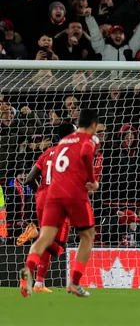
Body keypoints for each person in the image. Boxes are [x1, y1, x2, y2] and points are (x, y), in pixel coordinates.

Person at [19, 109, 100, 298]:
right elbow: (87, 153)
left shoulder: (60, 145)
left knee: (45, 239)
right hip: (72, 194)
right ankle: (74, 282)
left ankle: (27, 274)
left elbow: (35, 176)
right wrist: (92, 179)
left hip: (51, 195)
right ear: (93, 126)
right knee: (87, 237)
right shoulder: (88, 139)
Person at [17, 122, 77, 293]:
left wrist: (41, 192)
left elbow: (28, 179)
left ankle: (39, 283)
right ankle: (34, 233)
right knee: (59, 246)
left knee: (46, 242)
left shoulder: (46, 153)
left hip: (42, 199)